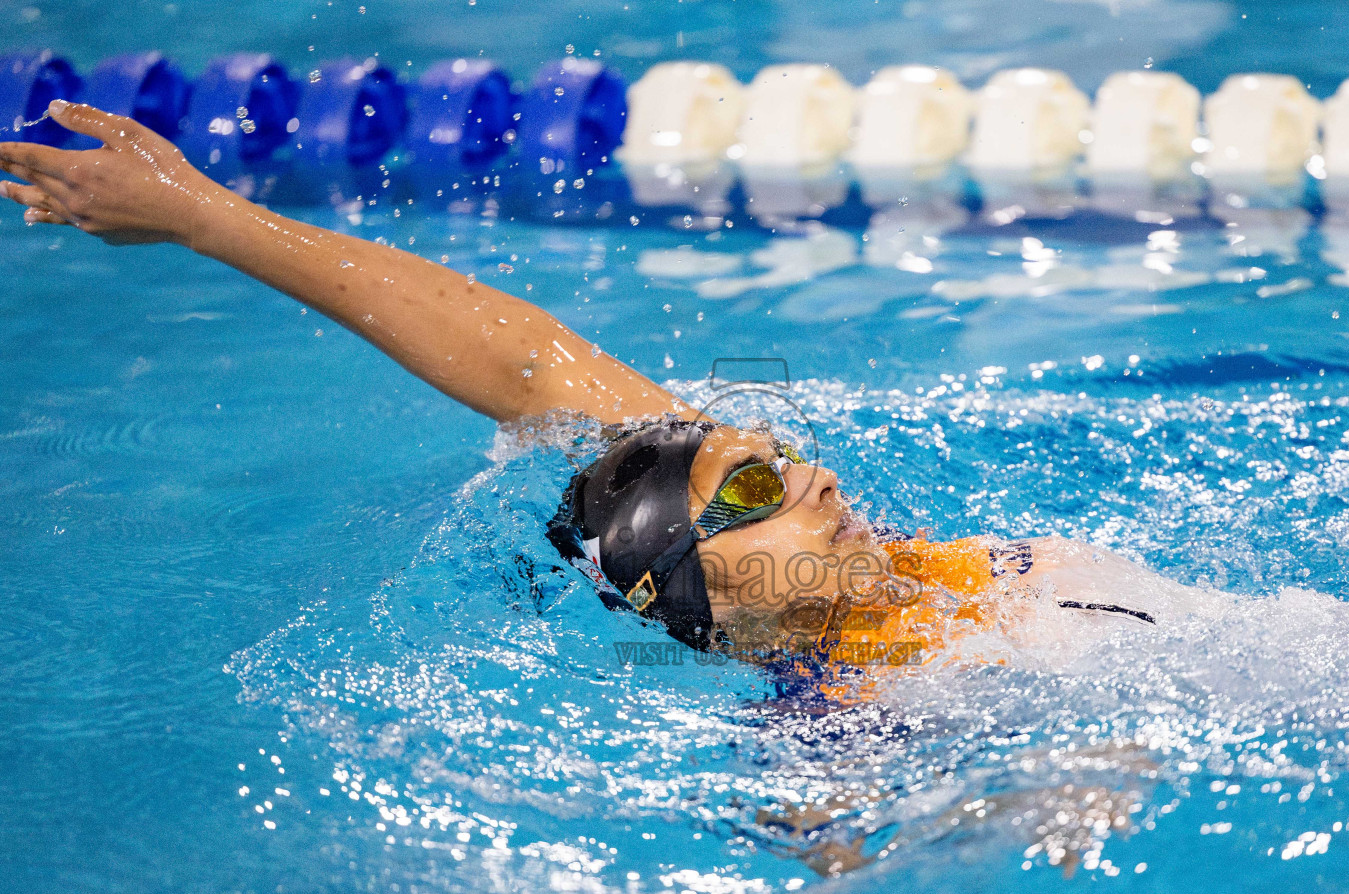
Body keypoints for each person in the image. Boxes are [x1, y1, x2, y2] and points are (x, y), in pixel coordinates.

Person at [1, 101, 1196, 694]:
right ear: (701, 604)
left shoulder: (923, 580)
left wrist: (208, 216)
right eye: (760, 488)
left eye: (782, 457)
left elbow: (523, 363)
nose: (818, 474)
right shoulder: (848, 721)